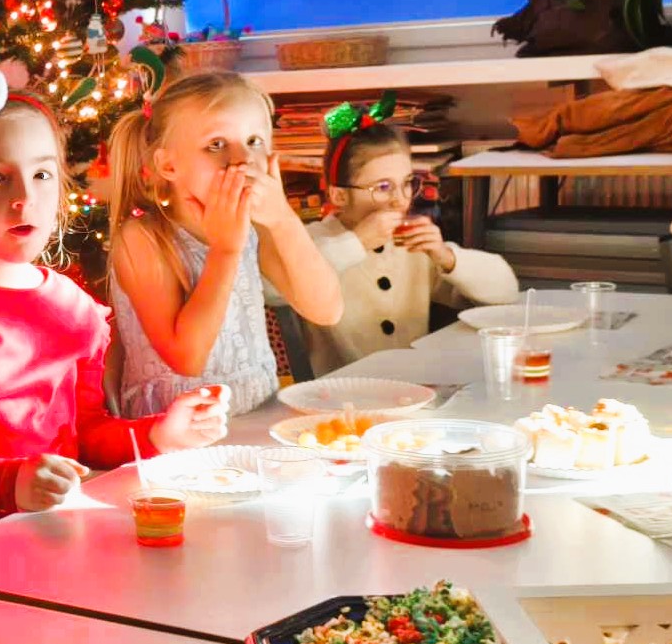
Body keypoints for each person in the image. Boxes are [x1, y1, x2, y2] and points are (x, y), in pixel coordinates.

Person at [0, 72, 228, 564]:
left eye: (41, 175)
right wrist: (9, 484)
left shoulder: (76, 309)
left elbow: (86, 433)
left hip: (58, 534)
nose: (23, 197)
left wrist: (157, 435)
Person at [106, 70, 342, 416]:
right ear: (168, 164)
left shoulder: (255, 226)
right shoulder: (142, 238)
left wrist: (283, 219)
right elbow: (187, 358)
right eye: (216, 145)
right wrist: (225, 250)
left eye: (254, 141)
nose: (241, 159)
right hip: (178, 429)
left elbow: (327, 310)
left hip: (257, 414)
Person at [306, 94, 516, 370]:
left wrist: (447, 257)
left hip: (415, 382)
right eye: (383, 187)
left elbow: (507, 291)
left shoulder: (410, 244)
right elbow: (276, 288)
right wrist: (358, 242)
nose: (400, 200)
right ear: (339, 195)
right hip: (341, 390)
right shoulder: (311, 241)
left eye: (407, 183)